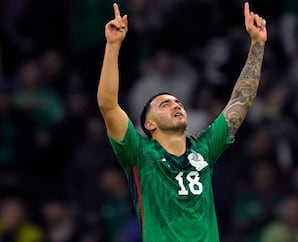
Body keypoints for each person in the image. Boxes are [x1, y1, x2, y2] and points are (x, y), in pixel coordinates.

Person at [97, 2, 267, 241]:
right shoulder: (139, 153)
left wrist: (257, 45)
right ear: (149, 125)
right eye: (165, 104)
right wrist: (113, 46)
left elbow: (241, 100)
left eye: (178, 102)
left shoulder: (204, 147)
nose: (176, 105)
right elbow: (107, 105)